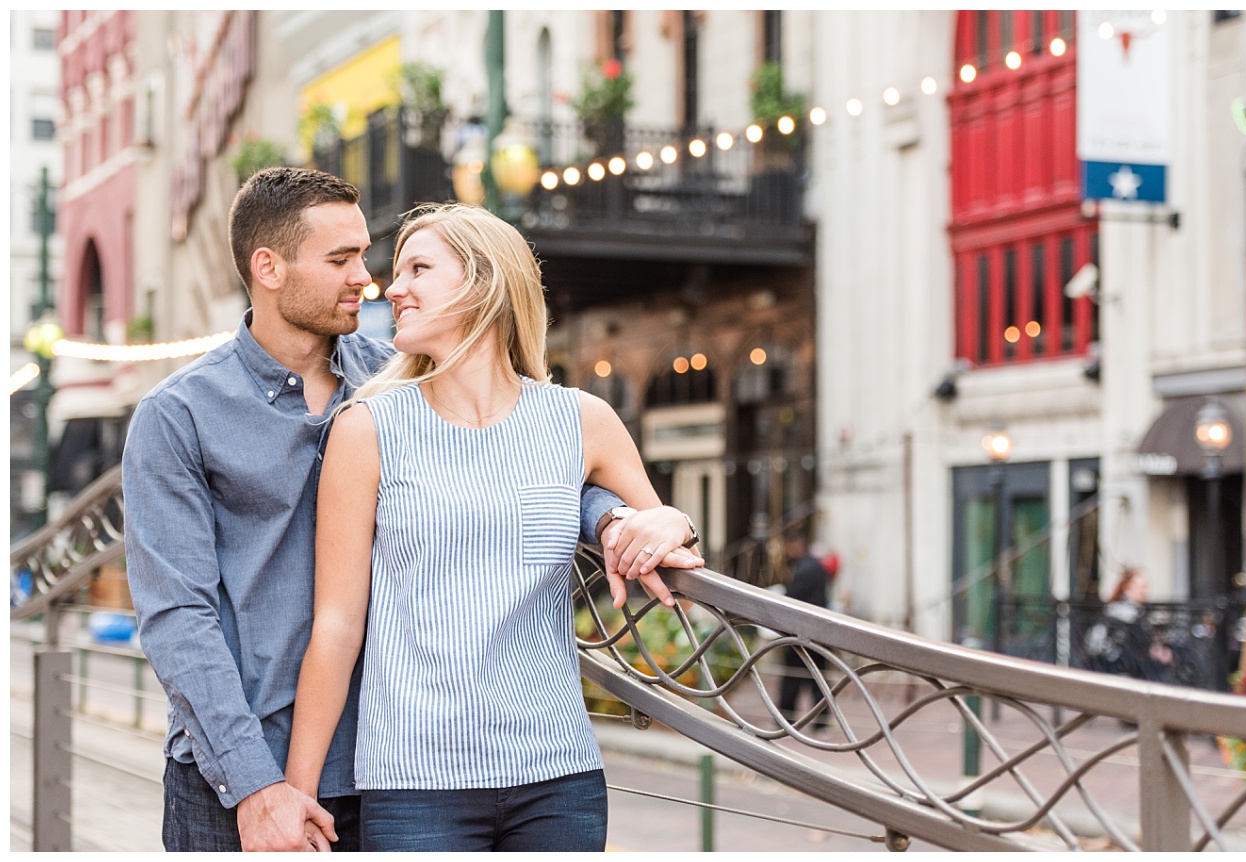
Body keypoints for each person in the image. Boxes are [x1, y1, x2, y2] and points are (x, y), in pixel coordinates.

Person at [122, 168, 697, 852]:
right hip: (245, 768)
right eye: (341, 260)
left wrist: (621, 516)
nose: (368, 281)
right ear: (267, 267)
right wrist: (259, 787)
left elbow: (521, 463)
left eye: (371, 257)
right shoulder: (178, 417)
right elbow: (177, 620)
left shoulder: (398, 377)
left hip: (388, 766)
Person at [284, 202, 702, 852]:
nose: (391, 288)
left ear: (483, 283)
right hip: (417, 786)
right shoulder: (367, 430)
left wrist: (675, 520)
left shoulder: (581, 420)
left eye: (417, 268)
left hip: (558, 780)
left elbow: (658, 533)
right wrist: (298, 791)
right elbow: (337, 628)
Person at [777, 531, 832, 732]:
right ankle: (819, 722)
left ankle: (786, 719)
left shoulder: (807, 569)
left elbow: (792, 597)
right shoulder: (813, 566)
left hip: (804, 632)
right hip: (816, 632)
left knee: (795, 677)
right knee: (815, 678)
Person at [1083, 567, 1173, 684]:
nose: (1144, 591)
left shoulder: (1136, 612)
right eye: (1140, 586)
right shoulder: (1123, 611)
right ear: (1127, 587)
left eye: (1146, 586)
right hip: (1118, 670)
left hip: (1126, 670)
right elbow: (1136, 640)